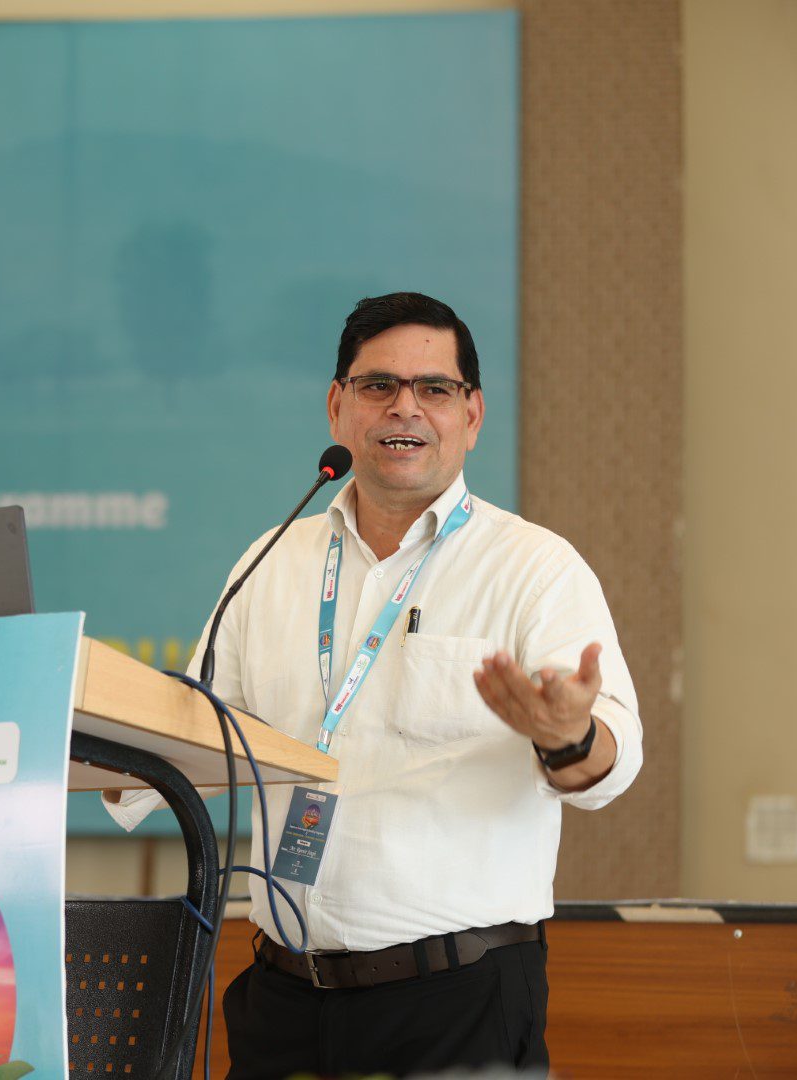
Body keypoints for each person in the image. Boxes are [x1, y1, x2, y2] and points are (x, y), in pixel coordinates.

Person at [105, 292, 642, 1077]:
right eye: (377, 385)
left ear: (471, 415)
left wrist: (567, 736)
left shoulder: (534, 568)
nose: (404, 408)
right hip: (281, 998)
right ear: (337, 406)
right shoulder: (271, 560)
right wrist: (81, 737)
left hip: (454, 1002)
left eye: (434, 388)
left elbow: (613, 763)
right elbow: (201, 731)